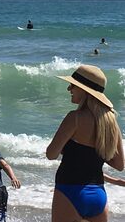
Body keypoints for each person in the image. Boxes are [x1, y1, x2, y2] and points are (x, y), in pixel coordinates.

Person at [46, 64, 124, 222]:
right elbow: (119, 164)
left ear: (84, 90)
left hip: (69, 190)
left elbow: (51, 154)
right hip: (98, 195)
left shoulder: (74, 118)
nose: (69, 89)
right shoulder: (111, 122)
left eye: (73, 85)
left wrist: (68, 147)